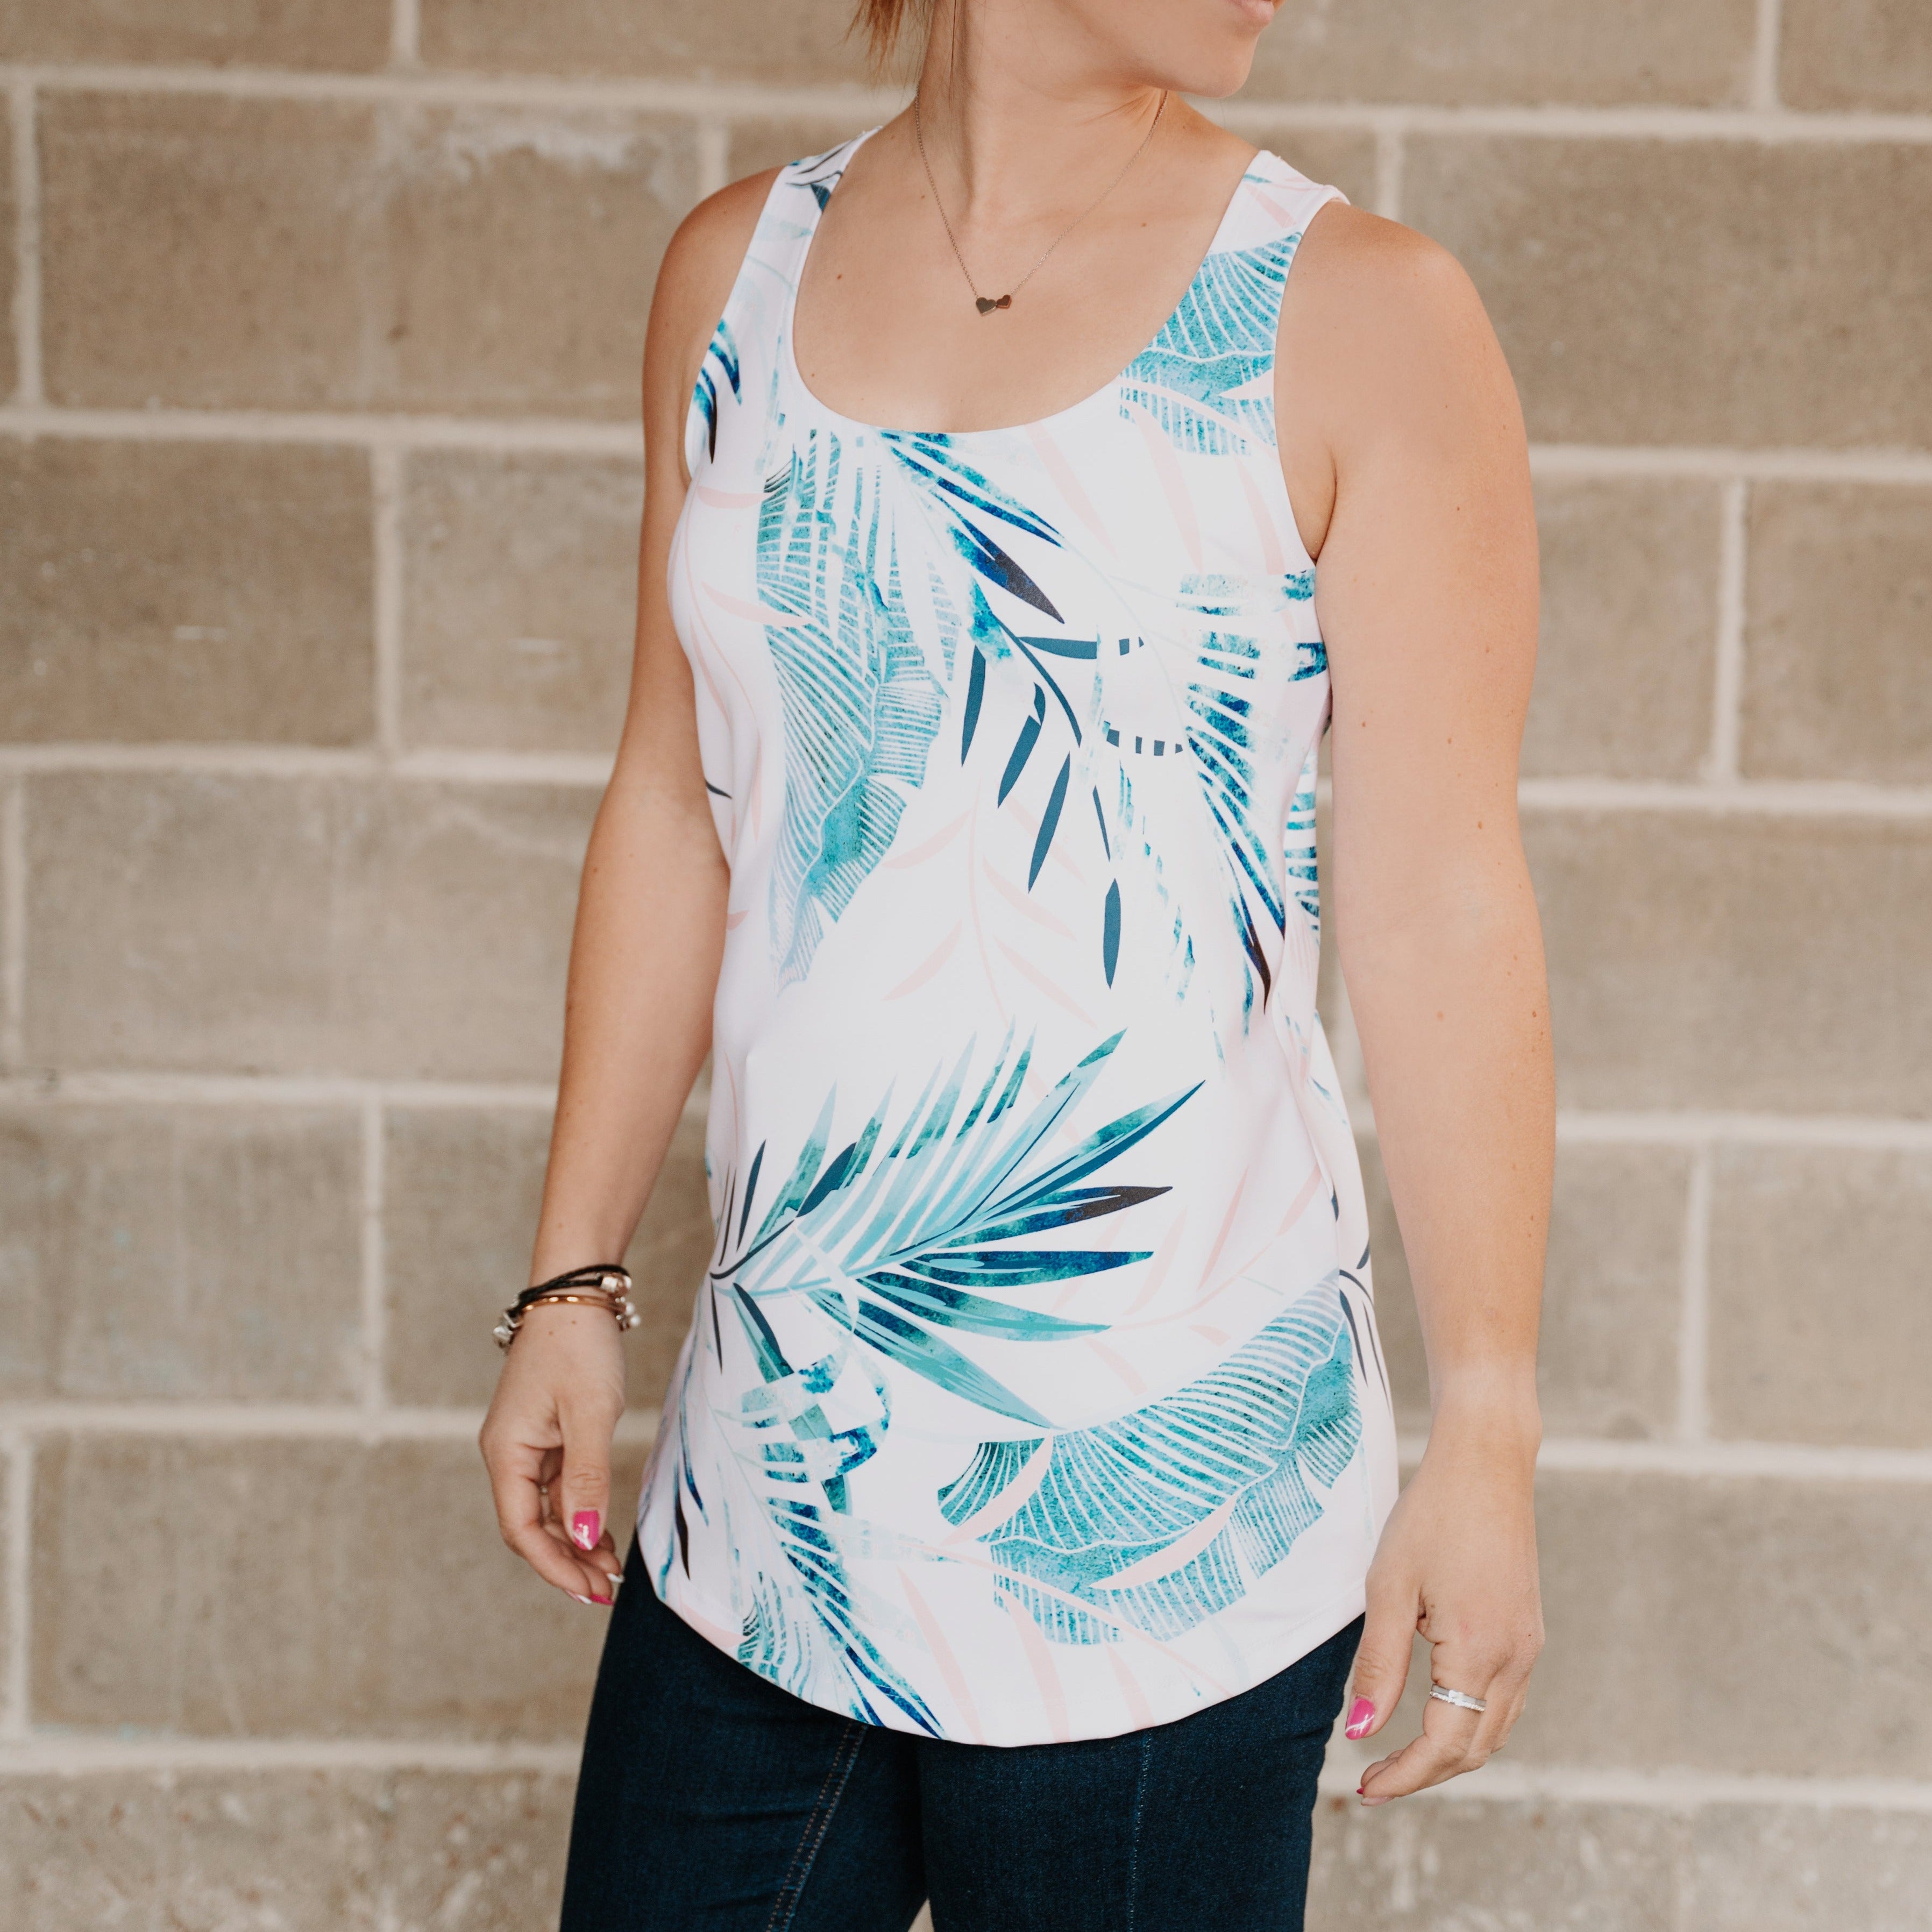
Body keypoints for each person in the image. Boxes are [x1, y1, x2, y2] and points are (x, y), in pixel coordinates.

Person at [479, 0, 1551, 1924]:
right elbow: (673, 797)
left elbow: (1443, 899)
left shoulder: (1363, 315)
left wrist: (1488, 1422)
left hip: (1157, 1534)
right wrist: (573, 1275)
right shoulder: (736, 277)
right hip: (774, 1487)